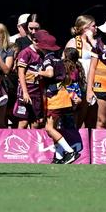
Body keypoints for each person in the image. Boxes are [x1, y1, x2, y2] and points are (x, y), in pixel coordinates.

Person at [35, 31, 80, 164]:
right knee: (52, 128)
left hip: (55, 99)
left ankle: (70, 152)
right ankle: (59, 156)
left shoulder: (48, 59)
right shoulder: (58, 59)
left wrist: (38, 72)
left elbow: (50, 73)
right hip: (63, 97)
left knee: (49, 129)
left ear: (43, 46)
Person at [64, 15, 97, 128]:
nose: (96, 28)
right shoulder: (73, 42)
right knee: (78, 118)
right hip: (80, 84)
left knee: (92, 119)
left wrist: (92, 41)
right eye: (93, 26)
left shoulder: (95, 43)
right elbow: (67, 65)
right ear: (85, 28)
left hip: (94, 83)